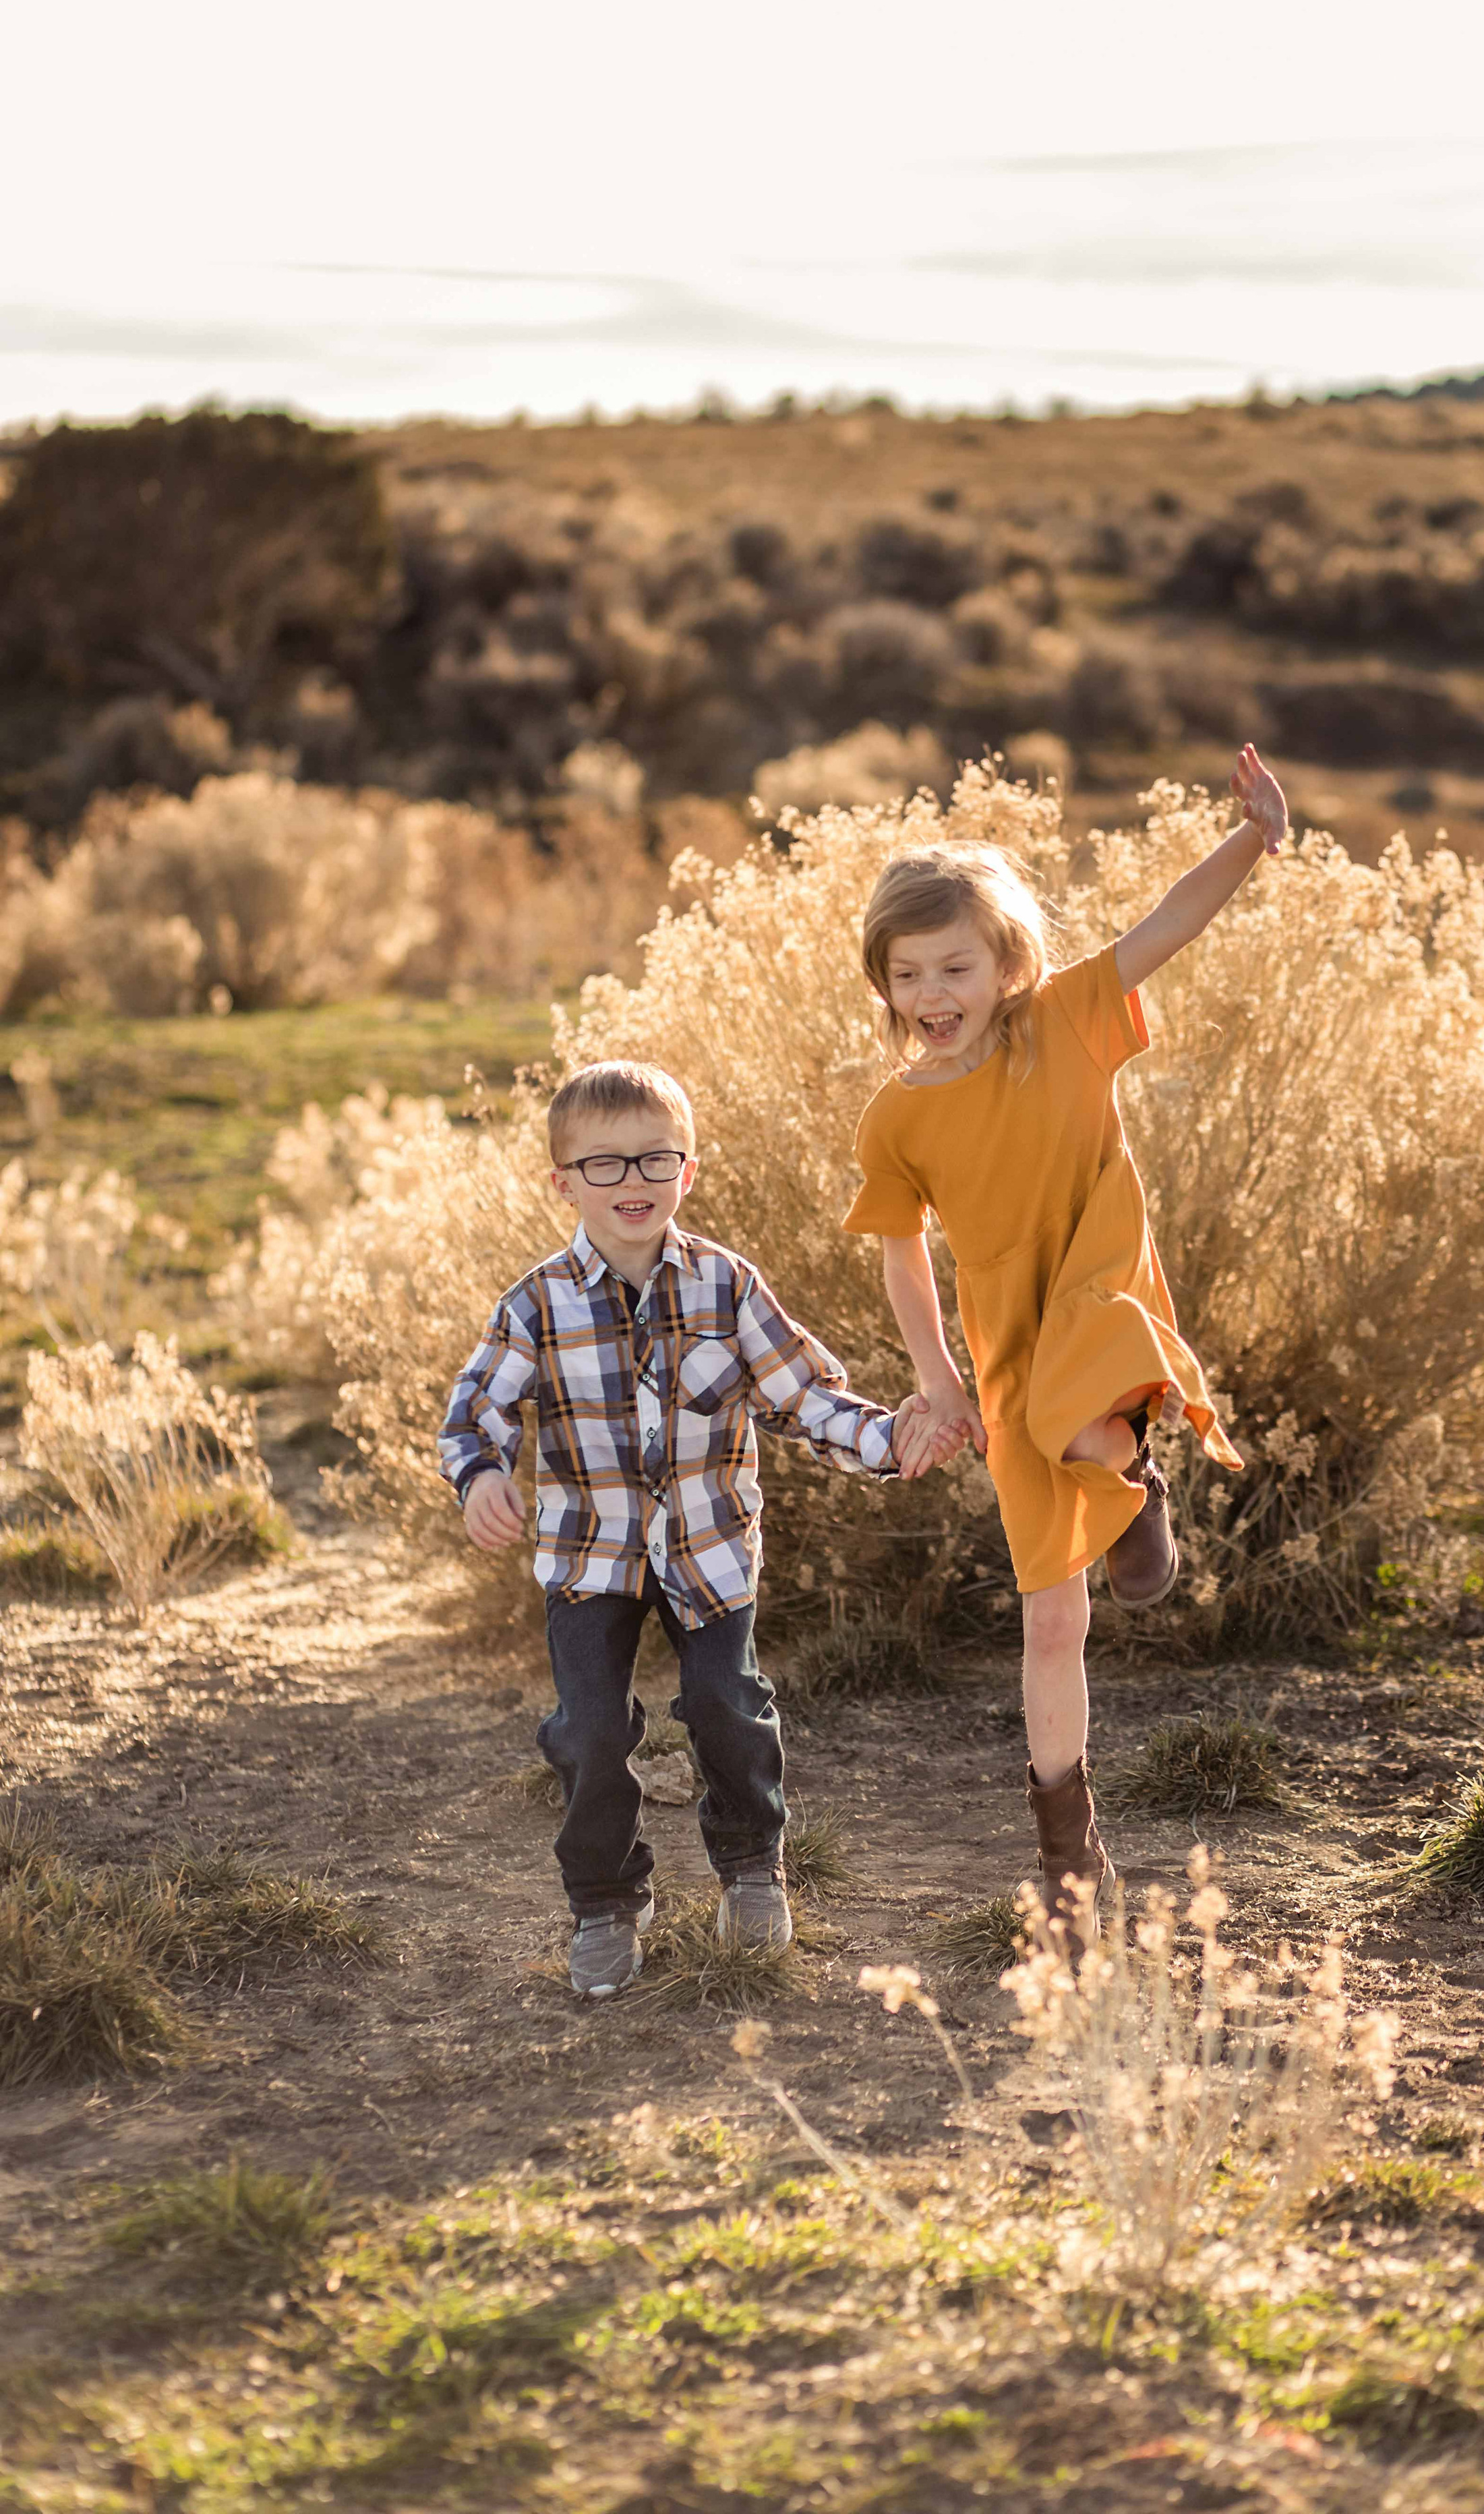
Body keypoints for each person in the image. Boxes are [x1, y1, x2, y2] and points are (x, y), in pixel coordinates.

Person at [843, 744, 1290, 1933]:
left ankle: (1126, 1470)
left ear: (1005, 964)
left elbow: (1165, 925)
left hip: (1098, 1270)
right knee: (1054, 1619)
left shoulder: (1069, 1018)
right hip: (1003, 1331)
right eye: (909, 973)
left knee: (1082, 1412)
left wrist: (1253, 836)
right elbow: (901, 1254)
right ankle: (1068, 1844)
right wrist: (939, 1386)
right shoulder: (897, 1115)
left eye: (956, 964)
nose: (934, 990)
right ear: (883, 986)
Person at [440, 1058, 943, 2001]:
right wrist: (478, 1481)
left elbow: (805, 1399)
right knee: (590, 1729)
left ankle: (752, 1869)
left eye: (654, 1160)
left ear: (689, 1170)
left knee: (727, 1705)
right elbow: (474, 1416)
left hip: (709, 1549)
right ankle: (604, 1901)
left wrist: (890, 1439)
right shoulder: (536, 1304)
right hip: (590, 1556)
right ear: (562, 1183)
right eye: (604, 1165)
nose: (632, 1182)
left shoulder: (728, 1287)